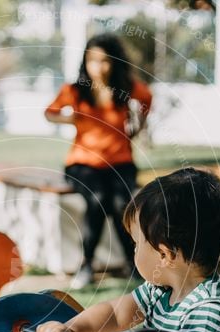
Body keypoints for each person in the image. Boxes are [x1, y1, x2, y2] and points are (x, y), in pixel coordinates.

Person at [36, 168, 220, 332]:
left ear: (165, 254)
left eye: (136, 244)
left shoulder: (208, 311)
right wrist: (72, 329)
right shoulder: (161, 290)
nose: (135, 250)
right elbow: (117, 313)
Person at [45, 33, 152, 289]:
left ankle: (134, 265)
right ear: (85, 61)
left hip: (120, 163)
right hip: (82, 165)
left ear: (114, 62)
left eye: (104, 61)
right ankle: (86, 266)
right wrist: (70, 119)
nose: (98, 67)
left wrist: (138, 126)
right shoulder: (75, 90)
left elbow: (147, 98)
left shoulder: (126, 87)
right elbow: (50, 113)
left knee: (121, 203)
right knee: (98, 199)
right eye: (92, 60)